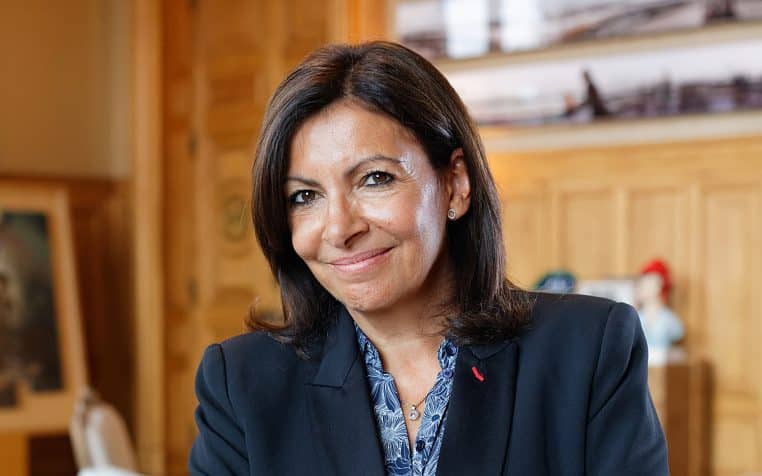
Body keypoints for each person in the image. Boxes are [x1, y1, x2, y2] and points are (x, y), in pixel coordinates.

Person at [189, 41, 668, 476]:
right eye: (305, 196)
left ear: (455, 184)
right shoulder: (240, 384)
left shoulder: (589, 350)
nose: (338, 229)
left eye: (375, 179)